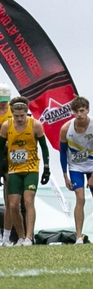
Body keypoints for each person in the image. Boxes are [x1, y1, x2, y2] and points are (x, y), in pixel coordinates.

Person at [0, 96, 50, 246]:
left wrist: (46, 168)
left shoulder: (35, 125)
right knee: (13, 205)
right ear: (12, 113)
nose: (20, 119)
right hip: (14, 170)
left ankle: (29, 237)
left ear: (26, 113)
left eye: (22, 116)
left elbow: (44, 147)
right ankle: (21, 236)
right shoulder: (6, 126)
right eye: (16, 116)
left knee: (28, 201)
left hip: (31, 169)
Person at [59, 96, 93, 244]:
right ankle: (78, 235)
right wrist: (65, 175)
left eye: (81, 111)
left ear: (87, 110)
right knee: (80, 198)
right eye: (76, 111)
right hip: (76, 167)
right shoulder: (66, 129)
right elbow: (62, 153)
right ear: (72, 112)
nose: (79, 115)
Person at [0, 82, 14, 246]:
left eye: (4, 100)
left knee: (10, 197)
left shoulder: (14, 110)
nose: (2, 103)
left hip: (10, 155)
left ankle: (6, 237)